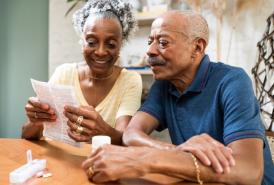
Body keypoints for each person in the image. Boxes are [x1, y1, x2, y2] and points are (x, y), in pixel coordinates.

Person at [82, 10, 274, 184]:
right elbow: (132, 134)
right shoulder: (165, 84)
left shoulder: (232, 82)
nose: (150, 51)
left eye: (163, 42)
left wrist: (147, 159)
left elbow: (249, 172)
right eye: (151, 41)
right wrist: (176, 152)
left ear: (197, 48)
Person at [21, 0, 142, 145]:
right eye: (91, 42)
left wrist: (102, 130)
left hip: (101, 165)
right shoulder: (64, 73)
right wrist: (35, 120)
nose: (101, 52)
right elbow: (26, 135)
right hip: (58, 162)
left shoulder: (129, 80)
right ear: (82, 42)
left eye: (111, 44)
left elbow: (124, 140)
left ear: (120, 45)